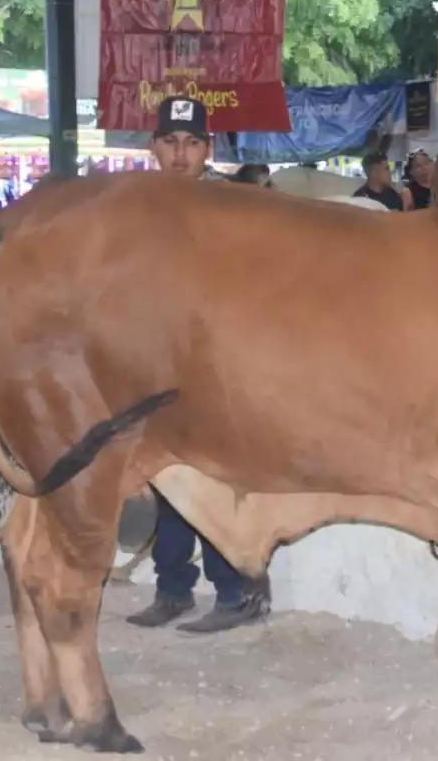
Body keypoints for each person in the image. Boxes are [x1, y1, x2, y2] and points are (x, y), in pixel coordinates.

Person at [126, 95, 272, 633]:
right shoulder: (134, 212)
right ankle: (172, 590)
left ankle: (235, 594)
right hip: (157, 369)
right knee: (166, 482)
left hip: (219, 369)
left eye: (191, 143)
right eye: (170, 142)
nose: (180, 154)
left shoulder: (234, 210)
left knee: (216, 482)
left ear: (208, 149)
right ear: (153, 148)